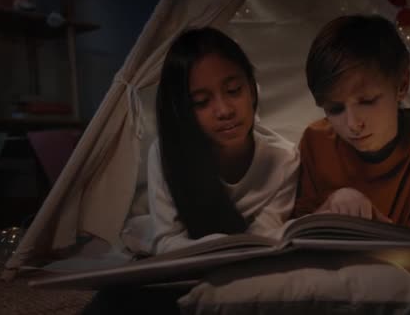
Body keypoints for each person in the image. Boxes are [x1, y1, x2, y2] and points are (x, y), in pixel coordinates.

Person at [83, 27, 298, 314]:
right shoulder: (166, 154)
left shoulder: (283, 159)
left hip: (237, 267)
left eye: (234, 91)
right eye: (201, 102)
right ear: (183, 109)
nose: (223, 110)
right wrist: (220, 247)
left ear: (252, 88)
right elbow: (166, 240)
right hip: (178, 263)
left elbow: (265, 239)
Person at [292, 14, 410, 234]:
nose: (353, 124)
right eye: (335, 109)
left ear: (402, 85)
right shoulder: (316, 141)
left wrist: (371, 222)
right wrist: (326, 212)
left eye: (367, 101)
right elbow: (299, 234)